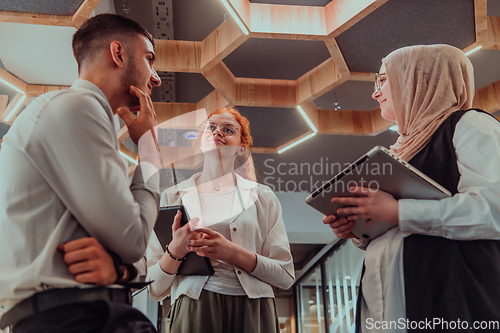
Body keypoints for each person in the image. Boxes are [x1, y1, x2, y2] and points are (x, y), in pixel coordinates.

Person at [0, 14, 163, 332]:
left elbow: (132, 253)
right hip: (76, 319)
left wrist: (122, 271)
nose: (155, 78)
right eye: (149, 59)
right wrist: (150, 149)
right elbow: (133, 240)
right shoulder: (77, 108)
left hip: (78, 314)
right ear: (118, 53)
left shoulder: (76, 113)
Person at [323, 44, 500, 332]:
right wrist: (359, 226)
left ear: (417, 79)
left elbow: (494, 209)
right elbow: (396, 229)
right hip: (389, 306)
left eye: (383, 79)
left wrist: (396, 211)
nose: (375, 92)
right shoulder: (396, 151)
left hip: (452, 300)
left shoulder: (470, 125)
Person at [146, 107, 295, 333]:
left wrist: (231, 252)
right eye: (211, 127)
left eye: (228, 129)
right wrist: (175, 250)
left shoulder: (263, 198)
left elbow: (285, 276)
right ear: (200, 142)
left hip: (254, 310)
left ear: (240, 148)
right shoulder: (171, 197)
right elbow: (155, 288)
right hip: (194, 308)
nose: (217, 132)